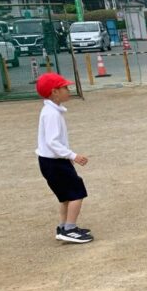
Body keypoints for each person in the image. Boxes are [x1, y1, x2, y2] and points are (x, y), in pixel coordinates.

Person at [35, 73, 93, 243]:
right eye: (65, 88)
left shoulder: (51, 110)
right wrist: (73, 155)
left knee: (66, 195)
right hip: (55, 162)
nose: (68, 90)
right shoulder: (51, 114)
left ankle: (64, 226)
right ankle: (70, 229)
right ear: (55, 92)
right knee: (77, 192)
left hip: (53, 161)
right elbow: (52, 142)